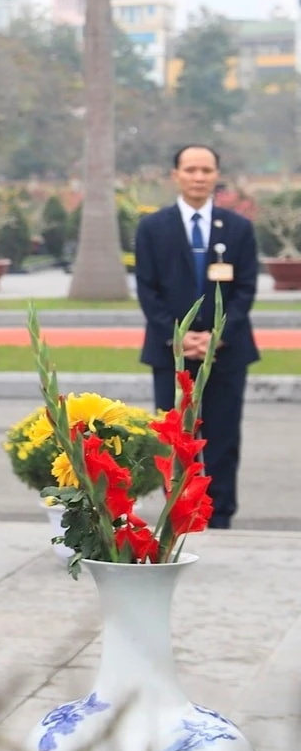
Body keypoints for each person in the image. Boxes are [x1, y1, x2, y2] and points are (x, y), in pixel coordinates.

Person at [134, 144, 260, 528]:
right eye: (191, 169)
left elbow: (245, 289)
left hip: (226, 353)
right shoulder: (152, 227)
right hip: (170, 353)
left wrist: (216, 337)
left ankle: (219, 517)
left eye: (206, 170)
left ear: (216, 175)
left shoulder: (238, 228)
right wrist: (179, 338)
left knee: (221, 440)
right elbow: (148, 289)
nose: (199, 177)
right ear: (175, 175)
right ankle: (179, 517)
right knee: (175, 441)